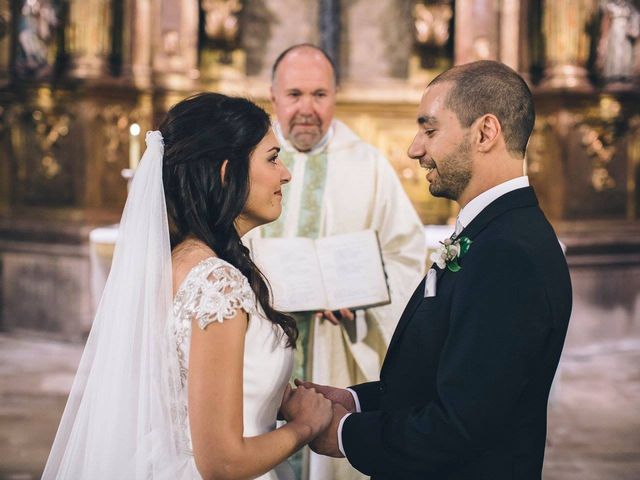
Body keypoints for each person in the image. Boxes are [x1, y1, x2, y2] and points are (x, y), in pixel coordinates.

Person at [300, 60, 573, 480]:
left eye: (430, 130)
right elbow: (446, 382)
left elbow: (459, 426)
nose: (414, 148)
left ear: (485, 132)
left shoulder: (508, 254)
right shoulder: (493, 233)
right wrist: (352, 402)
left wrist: (343, 434)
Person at [42, 93, 334, 480]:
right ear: (227, 172)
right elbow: (223, 462)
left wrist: (274, 399)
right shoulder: (216, 283)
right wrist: (305, 427)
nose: (286, 173)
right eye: (271, 158)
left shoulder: (178, 262)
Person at [252, 43, 426, 480]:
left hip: (337, 344)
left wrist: (359, 291)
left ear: (336, 96)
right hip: (257, 346)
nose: (307, 108)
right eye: (294, 94)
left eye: (319, 94)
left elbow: (405, 255)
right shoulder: (245, 160)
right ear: (272, 96)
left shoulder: (368, 165)